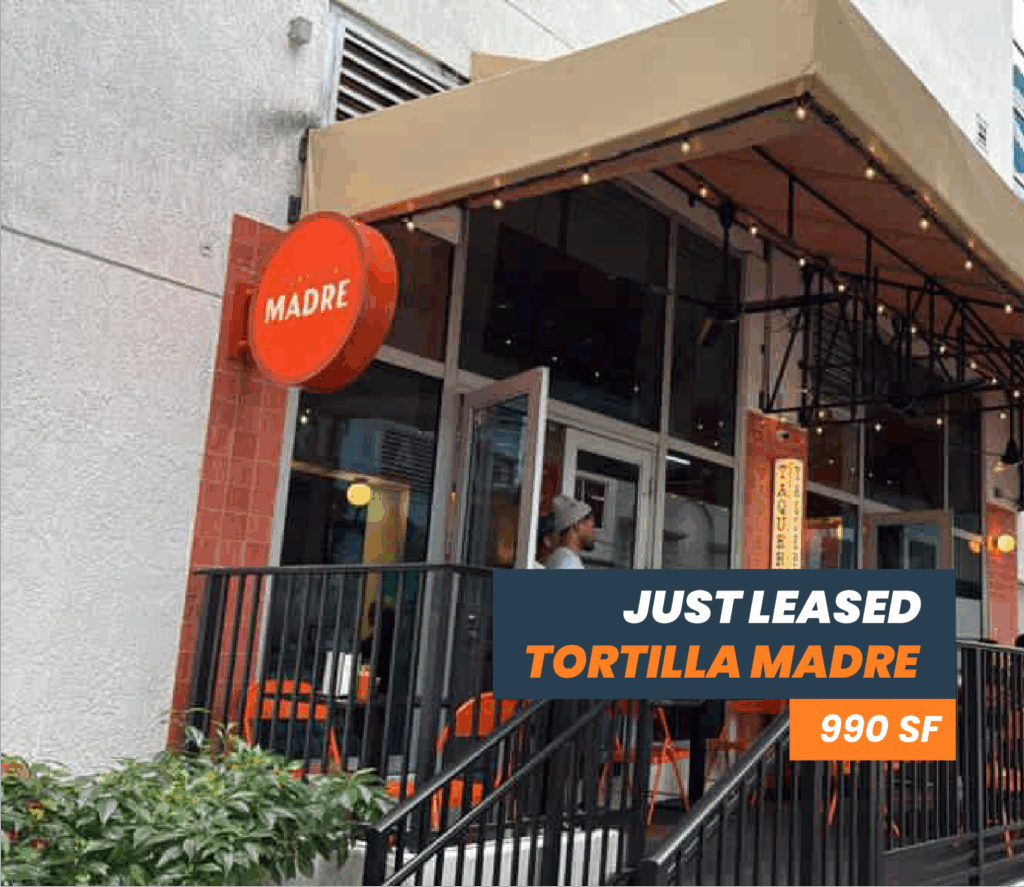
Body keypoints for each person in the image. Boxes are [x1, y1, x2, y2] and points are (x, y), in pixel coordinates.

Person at [544, 494, 595, 569]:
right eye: (591, 527)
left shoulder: (562, 558)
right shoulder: (567, 563)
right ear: (577, 526)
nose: (594, 533)